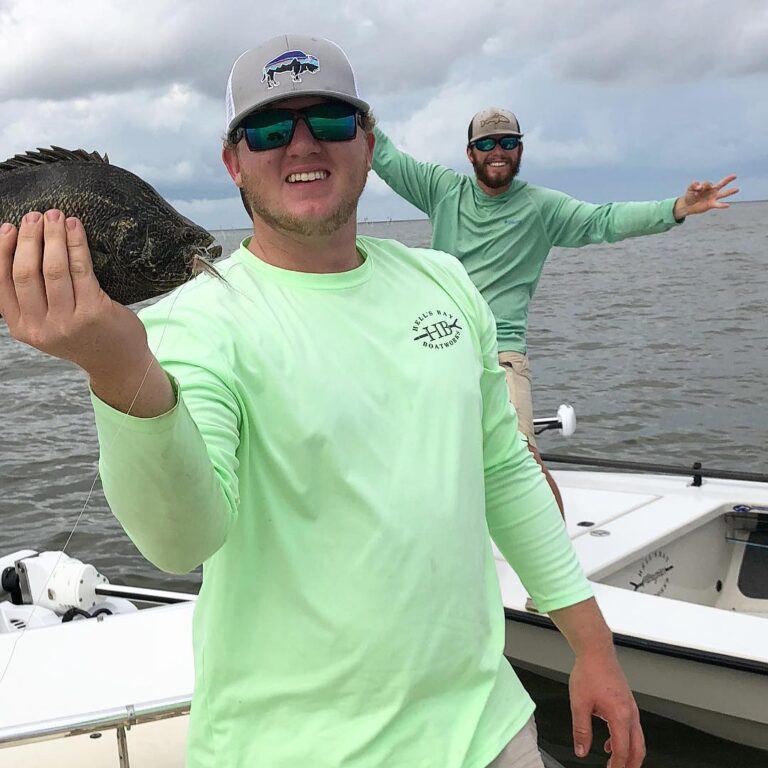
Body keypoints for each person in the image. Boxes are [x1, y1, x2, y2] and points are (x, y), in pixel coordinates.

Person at [0, 35, 645, 768]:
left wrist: (594, 649)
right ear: (233, 161)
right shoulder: (190, 325)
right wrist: (117, 371)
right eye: (271, 129)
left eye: (330, 122)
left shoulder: (445, 283)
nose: (302, 144)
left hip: (490, 731)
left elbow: (504, 473)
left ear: (368, 143)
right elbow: (181, 542)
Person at [372, 110, 738, 512]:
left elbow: (605, 220)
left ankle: (556, 568)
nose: (498, 152)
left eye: (508, 143)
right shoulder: (442, 191)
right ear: (470, 153)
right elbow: (385, 156)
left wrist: (678, 208)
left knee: (524, 465)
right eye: (487, 144)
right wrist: (351, 109)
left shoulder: (541, 208)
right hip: (439, 349)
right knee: (418, 462)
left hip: (501, 356)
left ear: (521, 150)